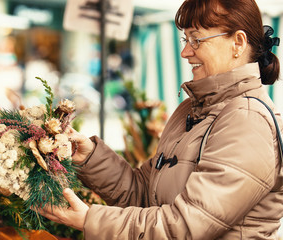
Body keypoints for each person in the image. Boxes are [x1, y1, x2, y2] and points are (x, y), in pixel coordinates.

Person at [37, 0, 283, 239]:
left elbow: (185, 226)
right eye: (185, 39)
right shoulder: (192, 109)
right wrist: (90, 157)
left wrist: (91, 219)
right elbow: (144, 193)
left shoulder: (248, 121)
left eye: (197, 39)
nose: (185, 52)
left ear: (238, 43)